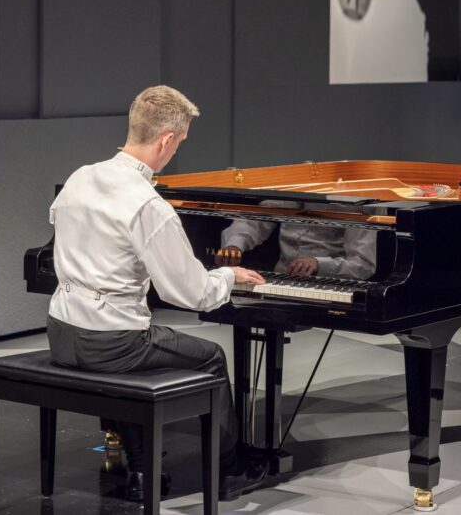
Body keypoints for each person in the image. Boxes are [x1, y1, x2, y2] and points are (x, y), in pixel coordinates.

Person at [45, 85, 269, 503]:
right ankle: (230, 472)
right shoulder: (148, 205)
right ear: (166, 140)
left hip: (60, 330)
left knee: (133, 339)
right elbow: (192, 293)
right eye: (180, 143)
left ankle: (142, 470)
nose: (176, 150)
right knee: (211, 357)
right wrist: (229, 275)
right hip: (110, 344)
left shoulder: (79, 177)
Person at [219, 204, 377, 280]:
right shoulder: (292, 186)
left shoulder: (359, 203)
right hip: (281, 277)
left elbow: (363, 265)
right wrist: (234, 244)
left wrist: (318, 264)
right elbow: (253, 222)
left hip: (327, 282)